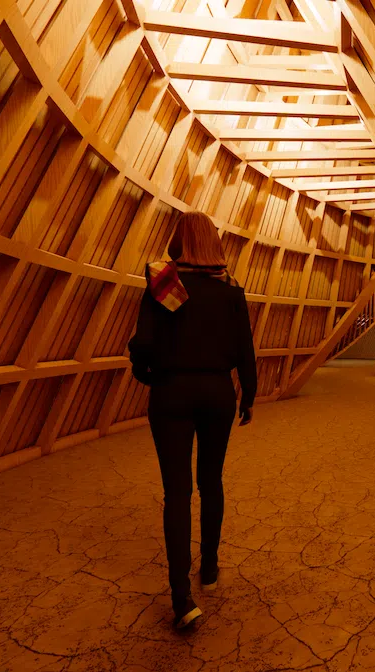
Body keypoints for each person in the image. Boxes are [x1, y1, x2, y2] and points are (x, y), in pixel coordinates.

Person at [128, 210, 257, 631]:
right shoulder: (231, 292)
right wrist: (248, 396)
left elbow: (143, 343)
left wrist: (147, 373)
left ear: (178, 241)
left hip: (171, 393)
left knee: (177, 493)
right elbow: (244, 352)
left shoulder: (163, 283)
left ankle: (182, 598)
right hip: (217, 392)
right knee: (211, 482)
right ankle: (212, 568)